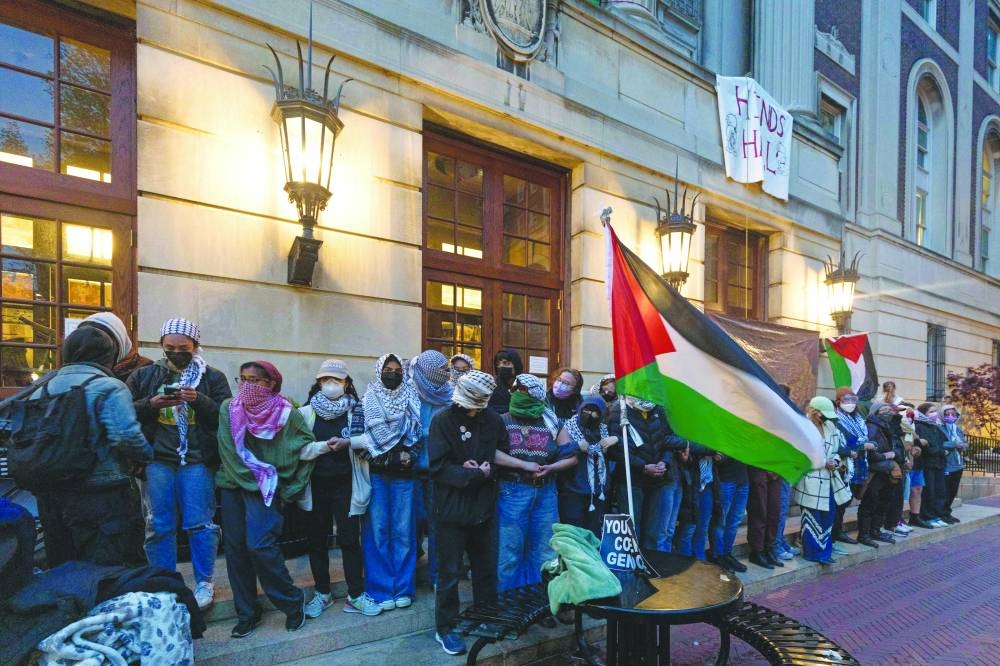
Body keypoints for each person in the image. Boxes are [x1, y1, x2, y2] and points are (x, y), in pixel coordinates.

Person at [127, 318, 231, 610]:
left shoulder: (213, 377)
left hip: (197, 460)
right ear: (161, 345)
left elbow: (226, 416)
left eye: (183, 348)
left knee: (200, 523)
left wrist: (199, 400)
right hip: (157, 460)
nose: (175, 352)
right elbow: (126, 411)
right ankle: (164, 582)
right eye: (169, 347)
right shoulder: (144, 375)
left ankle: (204, 582)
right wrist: (152, 404)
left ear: (196, 346)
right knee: (159, 524)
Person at [33, 326, 153, 567]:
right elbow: (126, 437)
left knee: (64, 565)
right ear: (108, 356)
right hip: (102, 491)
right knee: (108, 569)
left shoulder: (43, 387)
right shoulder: (108, 386)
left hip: (52, 493)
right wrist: (148, 456)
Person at [216, 361, 315, 638]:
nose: (247, 385)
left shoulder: (287, 413)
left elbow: (303, 446)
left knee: (260, 546)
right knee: (235, 551)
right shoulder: (229, 408)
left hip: (267, 490)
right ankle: (247, 613)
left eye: (255, 380)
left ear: (271, 383)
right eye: (242, 379)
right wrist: (259, 479)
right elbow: (230, 454)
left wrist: (286, 485)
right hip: (235, 485)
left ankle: (293, 603)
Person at [428, 370, 506, 656]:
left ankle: (486, 617)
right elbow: (436, 467)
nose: (473, 410)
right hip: (450, 508)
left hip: (484, 507)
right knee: (449, 573)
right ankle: (445, 628)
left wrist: (486, 470)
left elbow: (501, 455)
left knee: (485, 569)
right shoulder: (443, 420)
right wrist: (468, 472)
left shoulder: (494, 420)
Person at [298, 359, 379, 618]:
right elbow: (296, 449)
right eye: (326, 380)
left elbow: (371, 438)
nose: (332, 385)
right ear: (318, 382)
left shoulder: (357, 411)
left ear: (347, 383)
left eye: (338, 380)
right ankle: (323, 592)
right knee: (316, 541)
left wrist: (348, 442)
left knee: (349, 539)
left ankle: (355, 595)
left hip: (346, 484)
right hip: (316, 485)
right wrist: (323, 447)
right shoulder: (305, 413)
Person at [496, 373, 577, 592]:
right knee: (509, 552)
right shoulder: (502, 420)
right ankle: (507, 608)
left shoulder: (551, 422)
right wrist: (523, 465)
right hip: (512, 491)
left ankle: (538, 604)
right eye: (517, 390)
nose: (520, 394)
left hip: (545, 493)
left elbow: (571, 456)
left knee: (544, 552)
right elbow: (491, 453)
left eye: (525, 390)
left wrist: (550, 468)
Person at [355, 354, 422, 612]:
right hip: (378, 475)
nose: (392, 374)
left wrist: (408, 457)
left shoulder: (412, 399)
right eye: (387, 369)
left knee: (404, 532)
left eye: (397, 370)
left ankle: (403, 588)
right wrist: (389, 459)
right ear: (379, 370)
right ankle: (381, 589)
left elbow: (418, 439)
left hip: (405, 477)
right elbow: (357, 441)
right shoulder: (366, 401)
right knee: (378, 531)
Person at [606, 396, 684, 553]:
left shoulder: (658, 409)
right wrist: (642, 466)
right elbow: (614, 451)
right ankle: (633, 570)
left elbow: (666, 441)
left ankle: (650, 567)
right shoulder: (619, 409)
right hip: (631, 481)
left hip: (657, 481)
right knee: (632, 530)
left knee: (653, 531)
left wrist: (665, 462)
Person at [409, 350, 454, 588]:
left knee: (438, 526)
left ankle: (437, 577)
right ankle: (411, 577)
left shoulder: (449, 394)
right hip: (411, 470)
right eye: (441, 369)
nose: (445, 373)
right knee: (412, 523)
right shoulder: (409, 392)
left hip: (438, 471)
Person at [793, 397, 852, 565]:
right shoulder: (802, 427)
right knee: (812, 517)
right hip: (810, 480)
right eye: (821, 415)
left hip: (830, 480)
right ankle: (812, 553)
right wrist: (822, 462)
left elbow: (837, 451)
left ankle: (825, 553)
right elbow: (799, 456)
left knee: (829, 516)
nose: (824, 418)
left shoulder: (830, 426)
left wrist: (835, 461)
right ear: (813, 411)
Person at [555, 396, 618, 537]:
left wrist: (615, 440)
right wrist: (576, 446)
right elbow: (557, 453)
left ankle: (591, 558)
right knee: (572, 532)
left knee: (594, 532)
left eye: (595, 413)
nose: (589, 415)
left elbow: (617, 455)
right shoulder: (569, 427)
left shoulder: (604, 430)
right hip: (572, 489)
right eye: (586, 410)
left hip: (599, 491)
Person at [856, 402, 905, 546]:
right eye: (885, 409)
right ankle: (864, 534)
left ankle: (875, 530)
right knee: (870, 502)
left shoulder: (886, 427)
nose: (889, 412)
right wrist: (887, 456)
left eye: (890, 410)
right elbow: (870, 453)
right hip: (875, 471)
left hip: (886, 471)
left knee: (883, 502)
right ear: (876, 412)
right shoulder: (872, 427)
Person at [831, 388, 866, 549]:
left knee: (847, 499)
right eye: (846, 399)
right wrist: (859, 446)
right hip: (843, 465)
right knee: (839, 500)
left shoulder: (859, 418)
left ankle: (838, 530)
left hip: (858, 463)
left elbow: (865, 437)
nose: (850, 403)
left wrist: (865, 444)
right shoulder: (835, 419)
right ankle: (834, 532)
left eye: (853, 399)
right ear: (838, 401)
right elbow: (842, 442)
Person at [79, 312, 152, 382]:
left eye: (102, 341)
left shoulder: (147, 371)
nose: (94, 347)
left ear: (119, 341)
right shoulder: (77, 369)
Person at [711, 451, 750, 572]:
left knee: (734, 521)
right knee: (720, 521)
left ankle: (727, 554)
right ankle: (718, 555)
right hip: (725, 479)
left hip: (743, 479)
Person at [914, 403, 949, 528]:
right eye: (931, 412)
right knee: (929, 492)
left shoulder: (936, 426)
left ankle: (936, 515)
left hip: (939, 463)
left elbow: (943, 442)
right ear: (924, 413)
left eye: (935, 411)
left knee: (940, 491)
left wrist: (944, 450)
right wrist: (941, 451)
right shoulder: (919, 426)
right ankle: (927, 516)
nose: (934, 414)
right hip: (928, 464)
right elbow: (927, 448)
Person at [745, 464, 784, 569]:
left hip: (776, 466)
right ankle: (757, 551)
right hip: (757, 465)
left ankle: (768, 548)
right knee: (759, 511)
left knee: (774, 512)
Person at [940, 404, 968, 523]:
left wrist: (962, 445)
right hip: (947, 464)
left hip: (958, 464)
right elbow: (941, 443)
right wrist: (954, 444)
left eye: (953, 414)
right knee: (945, 491)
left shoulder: (957, 429)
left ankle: (947, 512)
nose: (950, 416)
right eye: (947, 414)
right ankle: (941, 514)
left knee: (952, 491)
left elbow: (965, 444)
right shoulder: (940, 428)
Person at [487, 348, 522, 414]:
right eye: (498, 364)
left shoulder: (525, 385)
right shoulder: (492, 387)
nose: (501, 366)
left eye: (506, 363)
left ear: (516, 365)